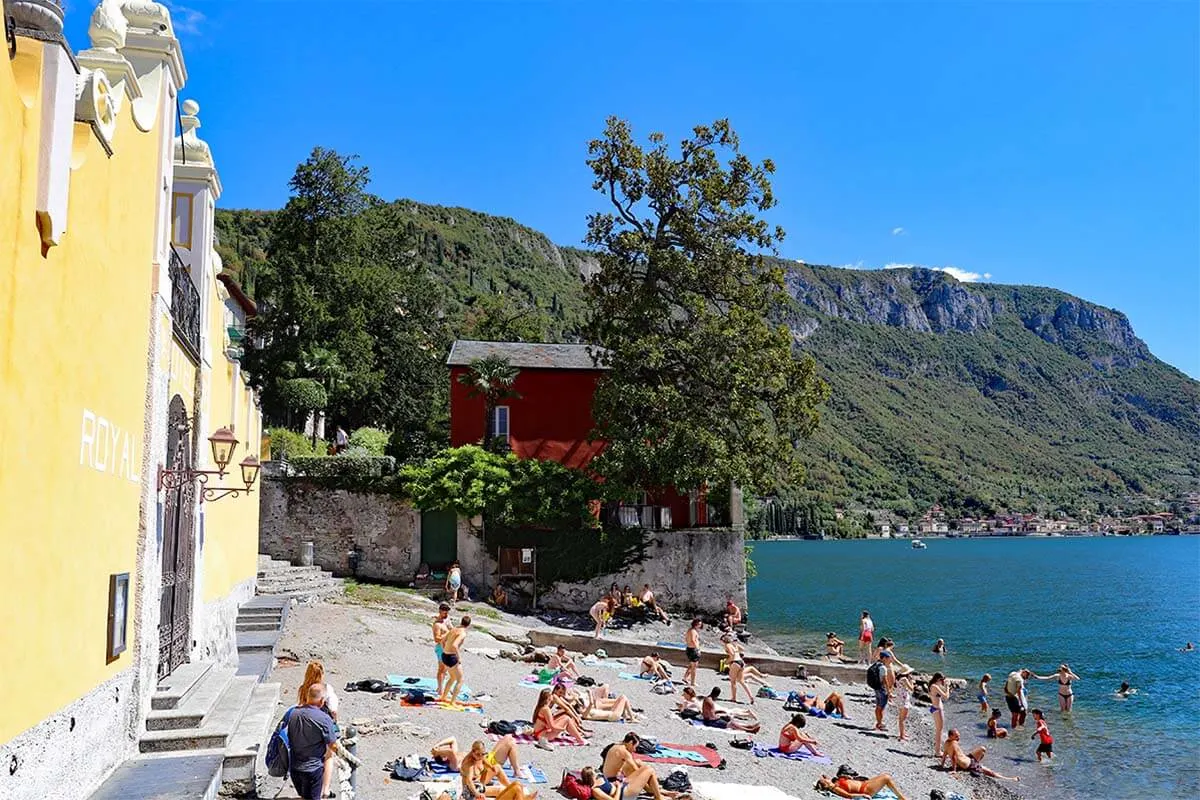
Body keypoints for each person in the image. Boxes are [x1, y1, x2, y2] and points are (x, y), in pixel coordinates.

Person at [287, 683, 337, 800]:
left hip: (294, 767)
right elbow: (332, 745)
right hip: (312, 769)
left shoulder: (293, 713)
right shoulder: (324, 719)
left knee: (303, 796)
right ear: (322, 701)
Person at [457, 739, 535, 800]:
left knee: (497, 767)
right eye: (478, 754)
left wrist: (491, 767)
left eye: (483, 754)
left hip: (479, 782)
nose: (481, 756)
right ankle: (519, 795)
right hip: (471, 790)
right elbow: (469, 782)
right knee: (505, 790)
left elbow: (484, 760)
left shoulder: (479, 756)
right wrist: (477, 794)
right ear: (473, 752)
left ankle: (511, 788)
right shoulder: (469, 764)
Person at [600, 733, 667, 800]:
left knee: (638, 762)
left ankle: (654, 790)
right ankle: (658, 796)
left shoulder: (615, 746)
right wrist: (648, 782)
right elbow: (636, 770)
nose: (634, 750)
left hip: (609, 779)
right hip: (616, 783)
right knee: (649, 770)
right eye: (635, 747)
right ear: (630, 742)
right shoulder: (624, 752)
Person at [941, 730, 1019, 782]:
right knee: (990, 772)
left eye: (958, 736)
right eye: (956, 736)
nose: (958, 738)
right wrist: (954, 771)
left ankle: (978, 765)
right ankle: (1009, 779)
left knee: (982, 749)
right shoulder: (953, 744)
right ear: (950, 736)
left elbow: (945, 754)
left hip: (968, 758)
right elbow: (954, 757)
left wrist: (942, 765)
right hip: (968, 764)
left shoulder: (947, 742)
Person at [430, 734, 523, 775]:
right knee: (511, 743)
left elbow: (453, 739)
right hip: (491, 762)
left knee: (508, 737)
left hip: (487, 756)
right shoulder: (453, 765)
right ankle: (517, 771)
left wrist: (437, 745)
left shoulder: (455, 756)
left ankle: (516, 766)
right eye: (443, 751)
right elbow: (450, 752)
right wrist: (437, 752)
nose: (444, 749)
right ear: (444, 757)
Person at [438, 615, 471, 704]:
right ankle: (452, 701)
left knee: (452, 677)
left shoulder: (453, 629)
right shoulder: (462, 633)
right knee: (460, 680)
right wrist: (459, 657)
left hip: (444, 655)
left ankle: (444, 697)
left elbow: (442, 641)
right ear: (468, 625)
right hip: (451, 657)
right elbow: (455, 645)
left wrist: (444, 649)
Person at [814, 773, 910, 800]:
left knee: (884, 775)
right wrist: (863, 796)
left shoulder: (835, 783)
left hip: (865, 784)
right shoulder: (835, 788)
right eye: (825, 780)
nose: (826, 778)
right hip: (865, 790)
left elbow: (824, 776)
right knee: (886, 778)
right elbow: (848, 795)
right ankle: (902, 798)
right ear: (826, 784)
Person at [723, 632, 753, 704]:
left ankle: (733, 698)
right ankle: (751, 696)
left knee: (733, 681)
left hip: (735, 662)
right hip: (741, 662)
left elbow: (732, 655)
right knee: (741, 681)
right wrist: (737, 646)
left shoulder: (727, 645)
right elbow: (743, 649)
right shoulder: (734, 645)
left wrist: (726, 662)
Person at [869, 649, 895, 733]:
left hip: (876, 688)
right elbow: (885, 680)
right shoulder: (883, 667)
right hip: (881, 689)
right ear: (884, 658)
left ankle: (879, 722)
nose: (889, 660)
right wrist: (889, 692)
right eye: (888, 658)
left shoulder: (876, 664)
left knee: (878, 706)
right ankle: (880, 724)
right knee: (881, 707)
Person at [928, 671, 950, 757]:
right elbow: (946, 696)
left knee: (938, 730)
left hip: (935, 708)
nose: (943, 682)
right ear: (938, 679)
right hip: (937, 709)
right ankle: (938, 751)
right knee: (939, 731)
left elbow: (941, 692)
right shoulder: (934, 686)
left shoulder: (933, 685)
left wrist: (945, 686)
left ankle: (938, 749)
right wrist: (947, 687)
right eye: (942, 680)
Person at [433, 603, 452, 697]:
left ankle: (440, 687)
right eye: (445, 612)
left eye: (447, 612)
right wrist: (446, 635)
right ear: (440, 611)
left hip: (447, 647)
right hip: (441, 648)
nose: (446, 614)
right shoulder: (437, 625)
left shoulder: (446, 620)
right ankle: (440, 689)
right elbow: (436, 638)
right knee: (441, 669)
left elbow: (451, 628)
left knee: (445, 669)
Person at [895, 667, 915, 742]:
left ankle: (902, 733)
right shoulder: (905, 679)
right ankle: (901, 735)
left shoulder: (898, 678)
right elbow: (912, 688)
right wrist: (911, 681)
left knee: (901, 718)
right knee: (902, 719)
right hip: (904, 700)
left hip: (900, 699)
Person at [684, 618, 703, 686]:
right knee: (694, 667)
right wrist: (697, 649)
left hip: (690, 648)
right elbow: (693, 640)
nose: (699, 626)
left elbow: (686, 639)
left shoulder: (691, 630)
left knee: (692, 665)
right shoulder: (693, 631)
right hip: (693, 649)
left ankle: (686, 677)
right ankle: (693, 682)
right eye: (698, 624)